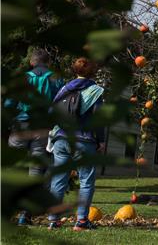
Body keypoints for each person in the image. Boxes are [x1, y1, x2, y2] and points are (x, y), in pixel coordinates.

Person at [4, 49, 63, 226]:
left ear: (31, 62)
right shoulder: (55, 78)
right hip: (42, 129)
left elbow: (9, 103)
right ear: (48, 63)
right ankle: (25, 214)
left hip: (19, 127)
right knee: (35, 170)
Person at [47, 57, 105, 231]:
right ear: (93, 72)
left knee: (58, 180)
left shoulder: (64, 88)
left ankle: (53, 220)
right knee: (86, 181)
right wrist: (101, 140)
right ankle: (81, 222)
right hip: (84, 141)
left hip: (62, 139)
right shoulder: (95, 90)